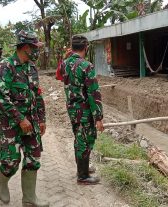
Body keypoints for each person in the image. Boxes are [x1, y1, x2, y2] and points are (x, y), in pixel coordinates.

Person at [0, 30, 48, 207]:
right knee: (11, 162)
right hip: (11, 124)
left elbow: (37, 95)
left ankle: (29, 198)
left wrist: (41, 118)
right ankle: (2, 182)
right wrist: (20, 119)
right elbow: (0, 97)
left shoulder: (31, 67)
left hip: (31, 123)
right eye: (35, 47)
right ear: (25, 47)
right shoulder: (6, 66)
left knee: (33, 159)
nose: (37, 51)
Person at [60, 35, 104, 185]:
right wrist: (98, 117)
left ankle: (82, 169)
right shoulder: (86, 65)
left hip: (72, 109)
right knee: (85, 140)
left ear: (72, 47)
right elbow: (93, 93)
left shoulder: (65, 63)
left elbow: (58, 76)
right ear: (86, 47)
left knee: (79, 138)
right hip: (84, 111)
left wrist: (65, 57)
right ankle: (83, 176)